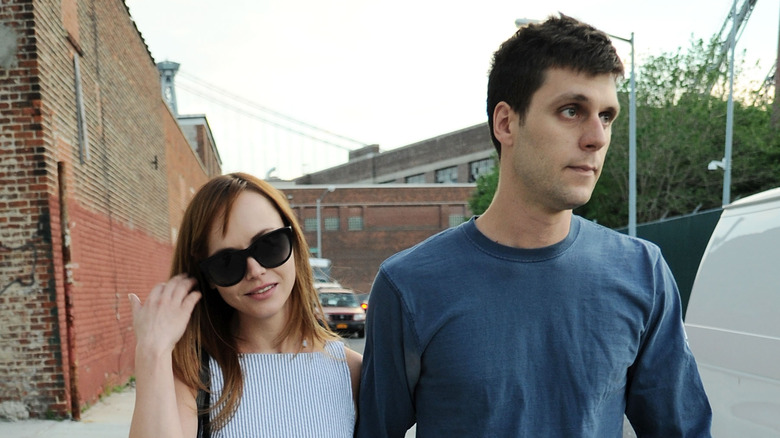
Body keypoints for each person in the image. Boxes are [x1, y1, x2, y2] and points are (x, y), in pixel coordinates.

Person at [356, 14, 712, 438]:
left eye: (607, 116)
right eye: (571, 110)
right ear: (506, 123)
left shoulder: (642, 271)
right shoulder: (409, 284)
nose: (597, 137)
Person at [128, 172, 361, 438]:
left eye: (269, 244)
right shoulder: (191, 375)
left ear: (294, 240)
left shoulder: (351, 371)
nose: (256, 270)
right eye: (227, 261)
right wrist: (152, 351)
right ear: (209, 276)